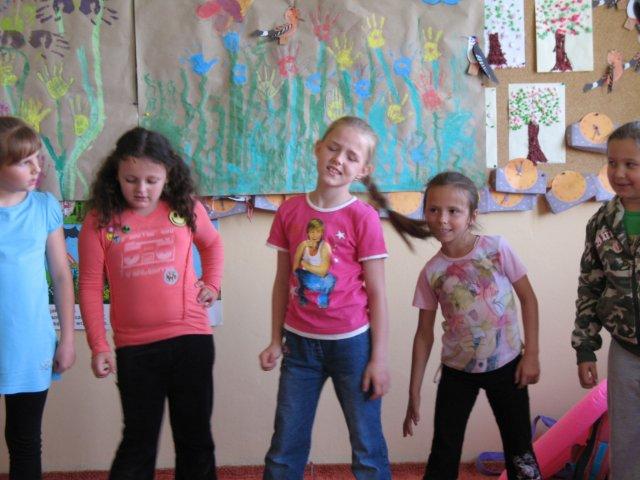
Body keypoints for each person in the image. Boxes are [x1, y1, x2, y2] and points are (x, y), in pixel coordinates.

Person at [259, 116, 430, 480]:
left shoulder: (362, 217)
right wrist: (275, 339)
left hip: (353, 347)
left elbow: (378, 293)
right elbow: (281, 281)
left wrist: (379, 360)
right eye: (333, 148)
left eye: (351, 156)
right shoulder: (289, 211)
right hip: (298, 348)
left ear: (363, 169)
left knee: (367, 447)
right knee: (285, 447)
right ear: (317, 148)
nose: (338, 159)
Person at [78, 127, 223, 480]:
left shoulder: (185, 207)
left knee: (195, 440)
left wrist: (212, 284)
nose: (141, 189)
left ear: (167, 175)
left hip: (191, 339)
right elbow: (91, 285)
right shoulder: (99, 220)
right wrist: (99, 345)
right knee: (138, 443)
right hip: (135, 349)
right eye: (131, 180)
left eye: (151, 180)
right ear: (116, 174)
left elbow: (213, 244)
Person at [403, 171, 541, 480]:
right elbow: (423, 335)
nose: (442, 219)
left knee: (520, 450)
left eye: (454, 211)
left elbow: (528, 299)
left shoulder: (496, 248)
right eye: (433, 209)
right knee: (444, 451)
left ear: (472, 216)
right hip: (457, 372)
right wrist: (414, 390)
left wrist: (531, 354)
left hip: (508, 366)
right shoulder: (432, 272)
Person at [0, 116, 75, 479]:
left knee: (24, 439)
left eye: (37, 159)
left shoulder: (44, 206)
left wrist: (68, 339)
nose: (36, 169)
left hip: (29, 344)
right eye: (23, 162)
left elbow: (61, 276)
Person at [572, 121, 640, 480]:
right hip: (625, 351)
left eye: (630, 164)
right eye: (612, 163)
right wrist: (585, 347)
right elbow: (590, 286)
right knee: (625, 443)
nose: (619, 173)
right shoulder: (601, 222)